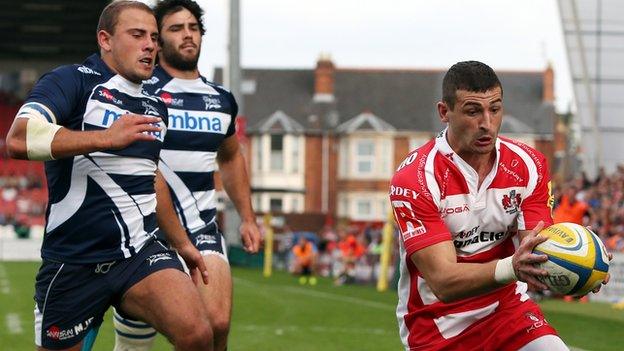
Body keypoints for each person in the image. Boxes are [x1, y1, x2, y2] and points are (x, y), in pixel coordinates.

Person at [5, 1, 216, 350]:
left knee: (197, 334)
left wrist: (181, 244)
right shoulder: (71, 80)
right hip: (74, 261)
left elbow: (151, 177)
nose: (150, 44)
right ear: (105, 39)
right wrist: (106, 138)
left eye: (153, 37)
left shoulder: (154, 105)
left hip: (138, 254)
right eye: (137, 35)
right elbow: (19, 137)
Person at [389, 61, 610, 351]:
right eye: (473, 111)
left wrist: (580, 258)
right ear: (445, 112)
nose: (486, 123)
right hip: (436, 325)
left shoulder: (528, 165)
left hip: (508, 311)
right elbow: (443, 281)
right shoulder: (416, 178)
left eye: (494, 109)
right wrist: (514, 268)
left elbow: (535, 246)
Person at [112, 1, 261, 350]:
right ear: (159, 41)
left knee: (217, 324)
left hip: (202, 227)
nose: (188, 34)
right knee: (137, 344)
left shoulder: (221, 98)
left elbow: (231, 156)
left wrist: (248, 218)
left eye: (193, 27)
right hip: (145, 231)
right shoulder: (141, 93)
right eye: (176, 28)